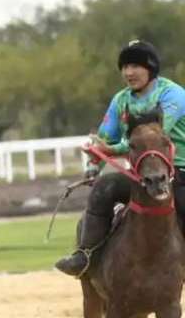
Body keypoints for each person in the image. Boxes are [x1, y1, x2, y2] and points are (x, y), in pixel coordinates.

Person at [55, 39, 185, 278]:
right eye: (125, 67)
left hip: (179, 171)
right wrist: (94, 165)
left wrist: (112, 150)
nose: (128, 72)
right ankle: (85, 255)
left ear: (151, 68)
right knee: (104, 189)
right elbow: (105, 138)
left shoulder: (173, 95)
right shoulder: (121, 100)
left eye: (135, 65)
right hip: (138, 174)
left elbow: (153, 137)